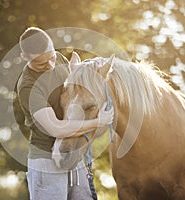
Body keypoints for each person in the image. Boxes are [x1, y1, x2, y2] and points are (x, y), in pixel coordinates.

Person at [17, 27, 114, 200]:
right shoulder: (28, 86)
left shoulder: (60, 59)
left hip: (74, 155)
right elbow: (56, 129)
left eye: (52, 57)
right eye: (42, 63)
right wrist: (98, 122)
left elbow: (77, 95)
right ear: (25, 57)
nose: (51, 65)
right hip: (46, 161)